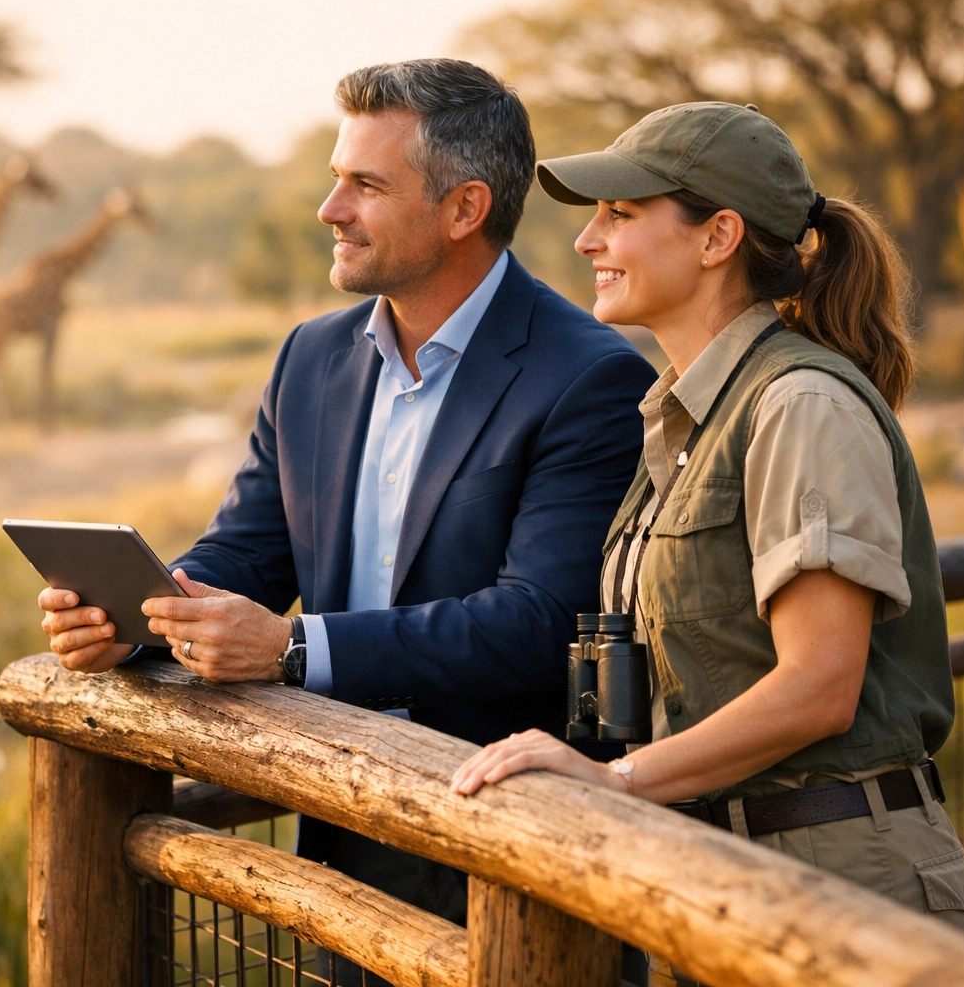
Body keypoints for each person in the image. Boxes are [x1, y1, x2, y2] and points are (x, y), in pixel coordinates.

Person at [37, 58, 655, 979]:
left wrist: (291, 651)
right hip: (338, 824)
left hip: (506, 848)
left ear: (463, 209)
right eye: (337, 178)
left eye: (364, 184)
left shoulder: (592, 377)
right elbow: (249, 548)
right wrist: (137, 619)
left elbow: (538, 623)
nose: (330, 208)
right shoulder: (312, 356)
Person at [450, 102, 964, 981]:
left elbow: (819, 686)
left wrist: (617, 783)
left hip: (838, 879)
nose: (588, 242)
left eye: (620, 214)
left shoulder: (799, 404)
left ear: (717, 236)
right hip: (722, 872)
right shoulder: (687, 417)